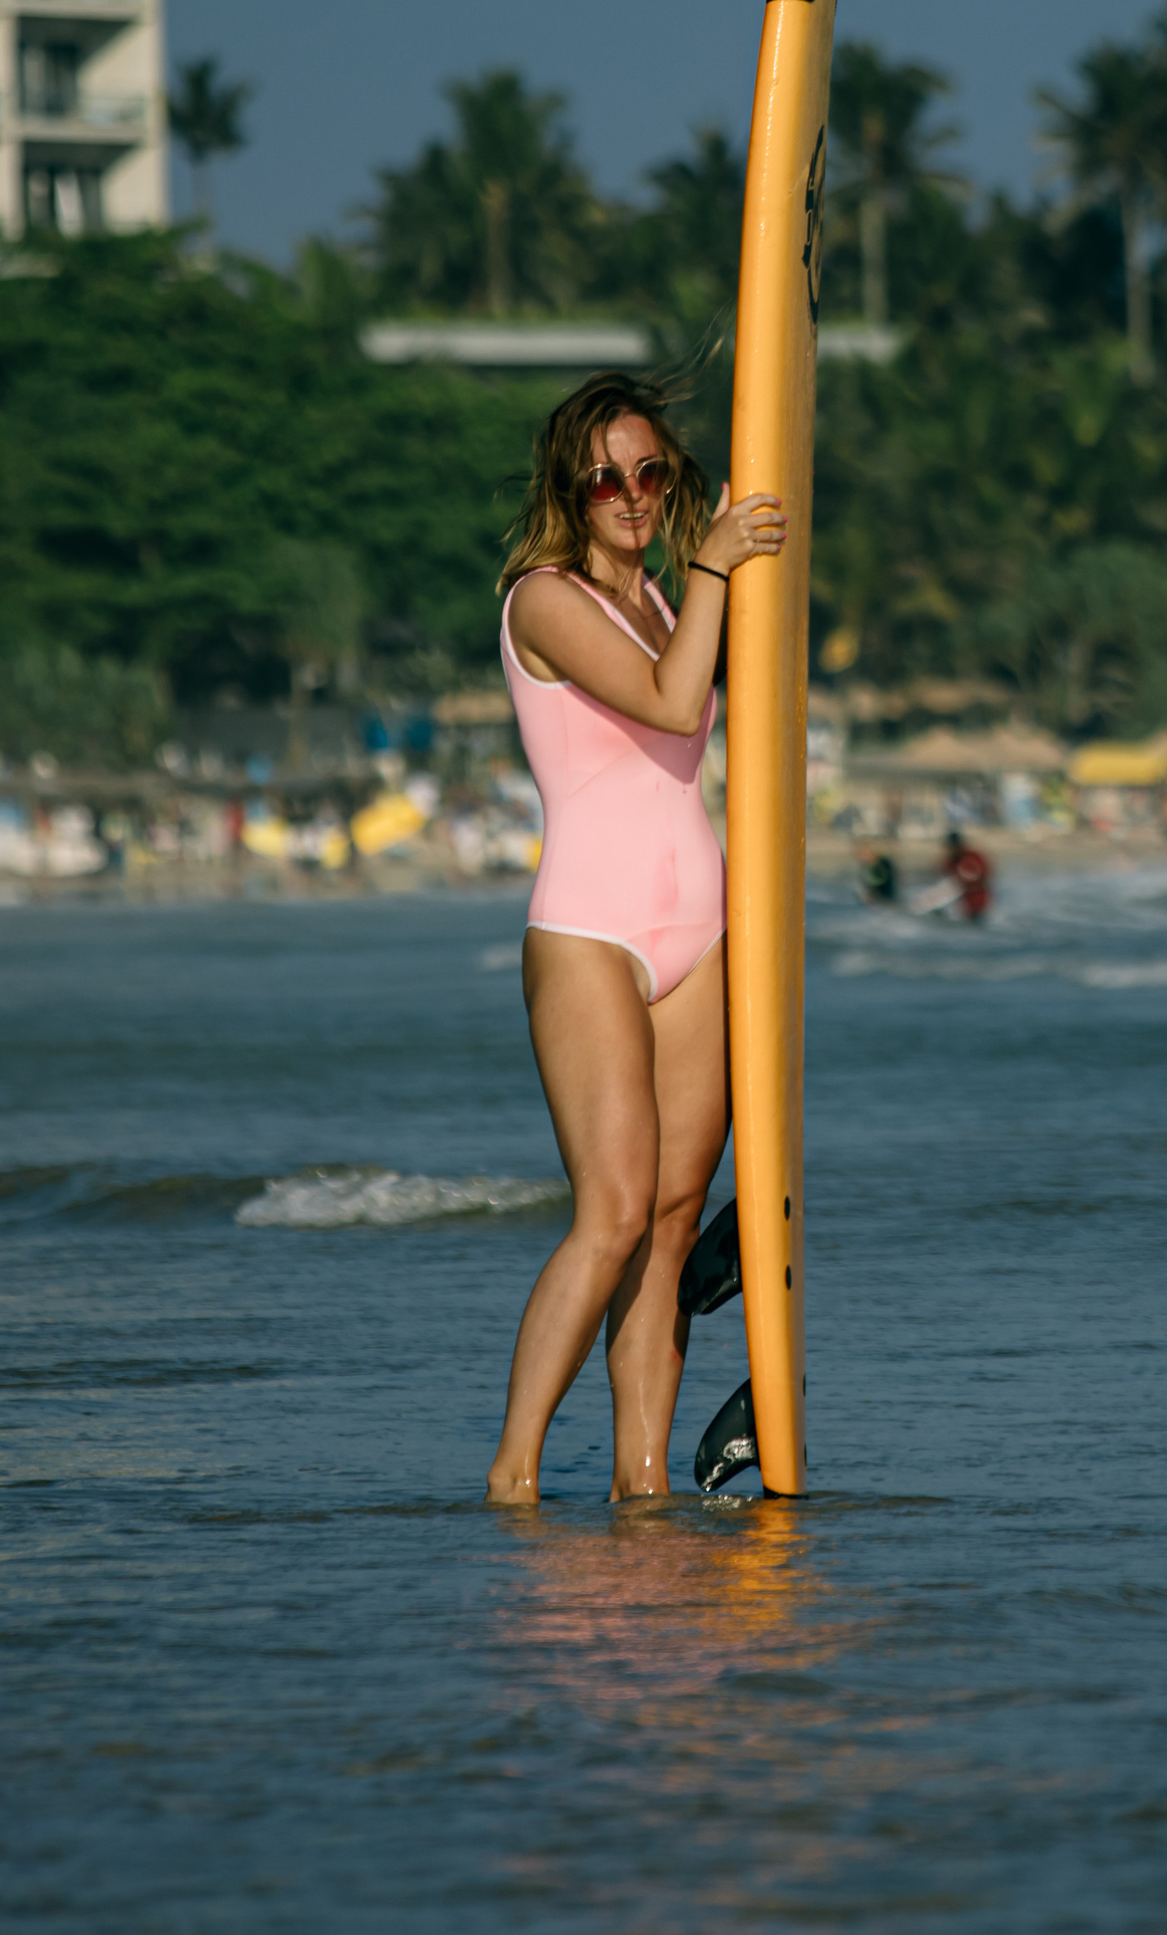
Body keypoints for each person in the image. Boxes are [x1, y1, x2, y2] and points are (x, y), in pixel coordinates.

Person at [483, 373, 784, 1505]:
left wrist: (731, 573)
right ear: (570, 483)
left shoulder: (668, 598)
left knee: (666, 1223)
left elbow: (727, 700)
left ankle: (643, 1489)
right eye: (605, 475)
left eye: (649, 472)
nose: (630, 494)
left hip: (695, 936)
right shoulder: (542, 598)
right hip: (590, 934)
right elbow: (668, 704)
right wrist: (713, 562)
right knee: (610, 1210)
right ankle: (513, 1477)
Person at [942, 829, 991, 922]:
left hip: (978, 898)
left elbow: (985, 877)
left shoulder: (973, 857)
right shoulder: (951, 861)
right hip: (965, 900)